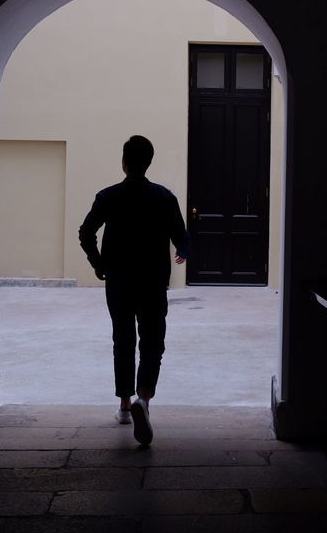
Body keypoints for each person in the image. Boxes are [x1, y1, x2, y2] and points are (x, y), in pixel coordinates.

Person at [78, 135, 189, 445]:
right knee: (153, 340)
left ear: (124, 162)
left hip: (119, 280)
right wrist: (183, 249)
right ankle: (144, 398)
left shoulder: (108, 197)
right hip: (152, 281)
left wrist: (98, 263)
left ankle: (125, 406)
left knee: (123, 339)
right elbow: (181, 236)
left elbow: (86, 232)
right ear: (149, 162)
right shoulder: (164, 198)